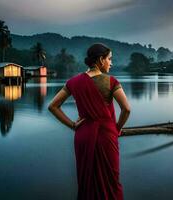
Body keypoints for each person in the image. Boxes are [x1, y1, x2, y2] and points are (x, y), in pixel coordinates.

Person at [48, 43, 130, 200]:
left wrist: (72, 124)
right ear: (100, 60)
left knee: (87, 181)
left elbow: (53, 106)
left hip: (83, 135)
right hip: (107, 136)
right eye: (109, 59)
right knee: (111, 182)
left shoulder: (73, 82)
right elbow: (126, 109)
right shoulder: (111, 82)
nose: (111, 63)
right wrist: (117, 127)